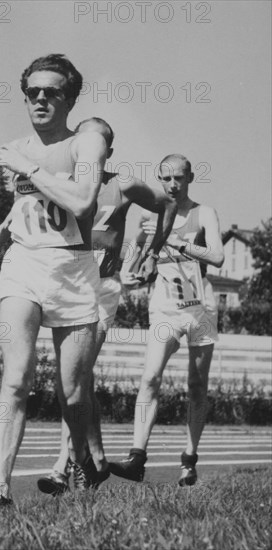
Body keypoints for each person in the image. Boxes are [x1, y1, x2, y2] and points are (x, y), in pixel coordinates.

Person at [0, 54, 110, 510]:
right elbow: (34, 202)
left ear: (69, 98)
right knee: (16, 377)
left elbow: (83, 201)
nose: (41, 99)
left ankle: (84, 464)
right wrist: (6, 220)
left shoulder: (86, 144)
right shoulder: (17, 145)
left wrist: (27, 168)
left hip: (73, 272)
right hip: (24, 266)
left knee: (72, 389)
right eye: (33, 92)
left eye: (52, 92)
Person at [27, 117, 177, 495]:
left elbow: (167, 203)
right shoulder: (57, 181)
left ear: (108, 150)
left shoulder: (122, 184)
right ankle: (94, 458)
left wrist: (153, 254)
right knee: (79, 379)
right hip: (65, 283)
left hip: (101, 289)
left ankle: (64, 467)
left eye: (101, 142)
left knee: (73, 378)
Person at [109, 154, 224, 486]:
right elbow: (130, 268)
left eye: (179, 178)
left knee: (197, 385)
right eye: (166, 179)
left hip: (200, 309)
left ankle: (188, 459)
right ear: (159, 179)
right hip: (165, 309)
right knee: (150, 378)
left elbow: (217, 256)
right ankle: (137, 457)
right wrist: (131, 275)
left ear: (190, 178)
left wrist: (177, 241)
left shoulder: (204, 214)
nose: (173, 185)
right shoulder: (149, 215)